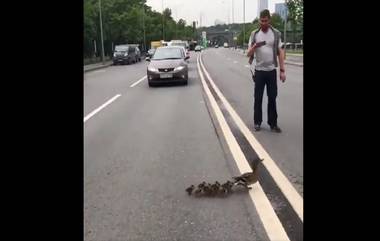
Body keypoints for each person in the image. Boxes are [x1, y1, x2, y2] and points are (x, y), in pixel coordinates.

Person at [247, 9, 286, 133]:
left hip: (271, 71)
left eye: (265, 21)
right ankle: (257, 122)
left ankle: (273, 124)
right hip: (259, 71)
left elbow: (280, 52)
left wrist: (282, 70)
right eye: (261, 21)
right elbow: (248, 54)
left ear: (269, 20)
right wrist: (254, 47)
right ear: (259, 20)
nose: (263, 23)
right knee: (258, 98)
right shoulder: (254, 34)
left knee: (272, 98)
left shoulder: (275, 33)